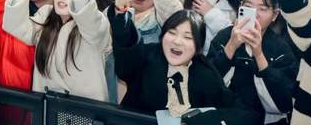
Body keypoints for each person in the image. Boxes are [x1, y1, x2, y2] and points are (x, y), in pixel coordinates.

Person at [3, 0, 111, 101]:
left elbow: (90, 21)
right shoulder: (45, 17)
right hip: (48, 108)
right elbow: (14, 24)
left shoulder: (96, 24)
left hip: (84, 111)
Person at [110, 7, 260, 123]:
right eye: (172, 32)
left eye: (187, 37)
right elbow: (126, 52)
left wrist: (200, 121)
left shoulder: (205, 72)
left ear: (198, 46)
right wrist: (120, 12)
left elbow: (244, 113)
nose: (177, 41)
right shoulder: (146, 56)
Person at [208, 0, 298, 124]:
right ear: (240, 8)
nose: (255, 14)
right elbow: (206, 85)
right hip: (222, 116)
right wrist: (231, 46)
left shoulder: (281, 49)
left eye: (263, 9)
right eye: (248, 7)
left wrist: (259, 54)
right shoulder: (224, 37)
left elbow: (284, 103)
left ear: (275, 15)